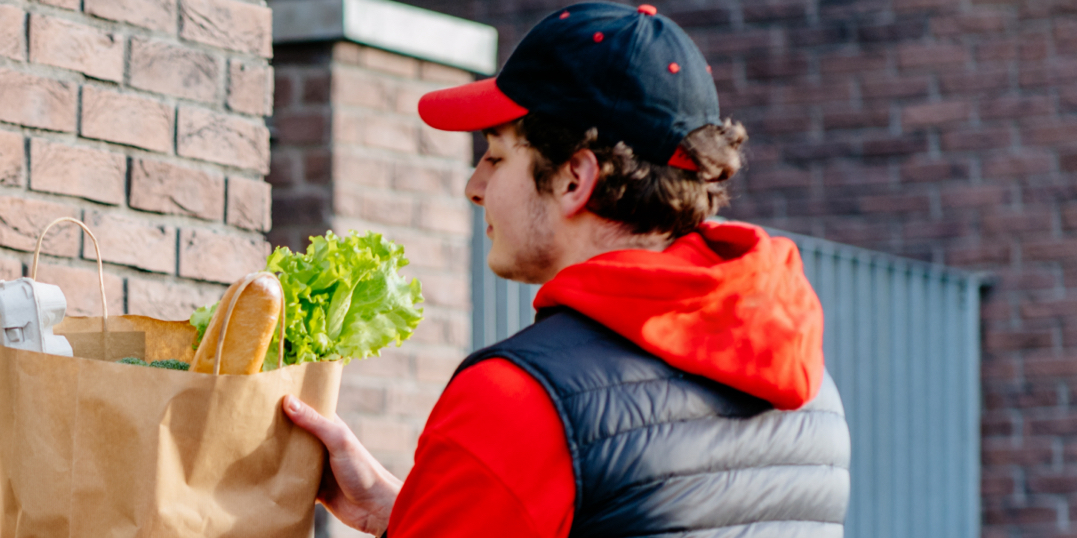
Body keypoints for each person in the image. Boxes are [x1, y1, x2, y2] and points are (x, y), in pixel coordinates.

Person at [281, 2, 851, 537]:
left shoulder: (516, 399)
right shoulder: (808, 391)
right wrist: (402, 513)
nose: (473, 187)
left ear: (574, 179)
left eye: (497, 156)